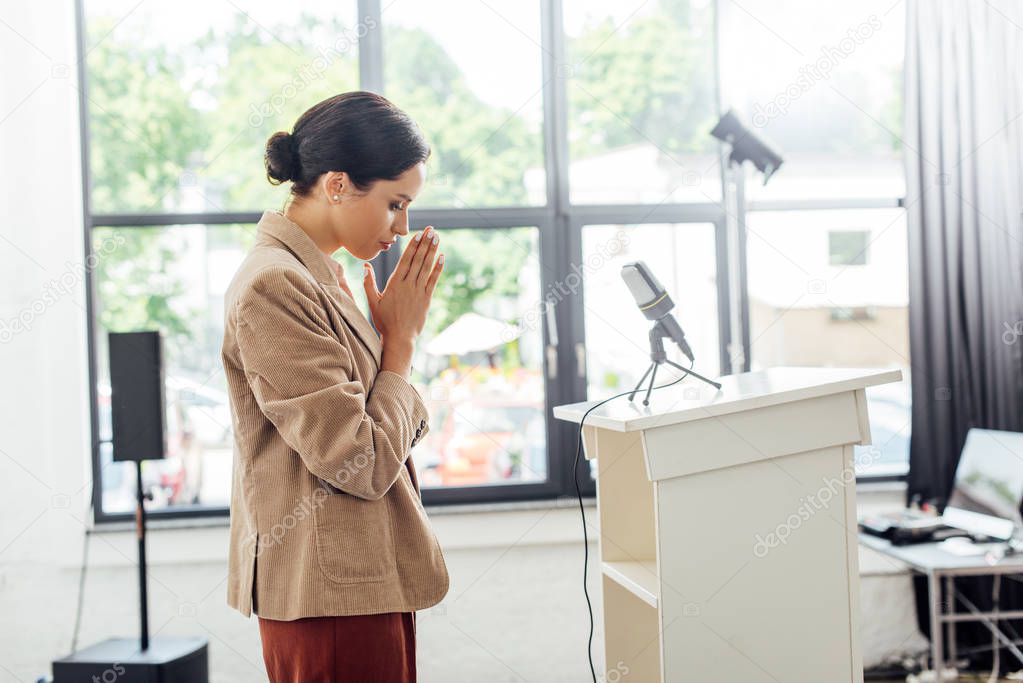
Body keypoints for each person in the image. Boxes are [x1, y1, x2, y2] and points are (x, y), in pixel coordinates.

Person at [220, 91, 449, 682]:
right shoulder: (275, 285)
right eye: (395, 204)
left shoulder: (323, 278)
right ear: (338, 185)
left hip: (358, 582)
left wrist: (393, 343)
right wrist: (398, 345)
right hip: (331, 594)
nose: (401, 228)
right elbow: (358, 462)